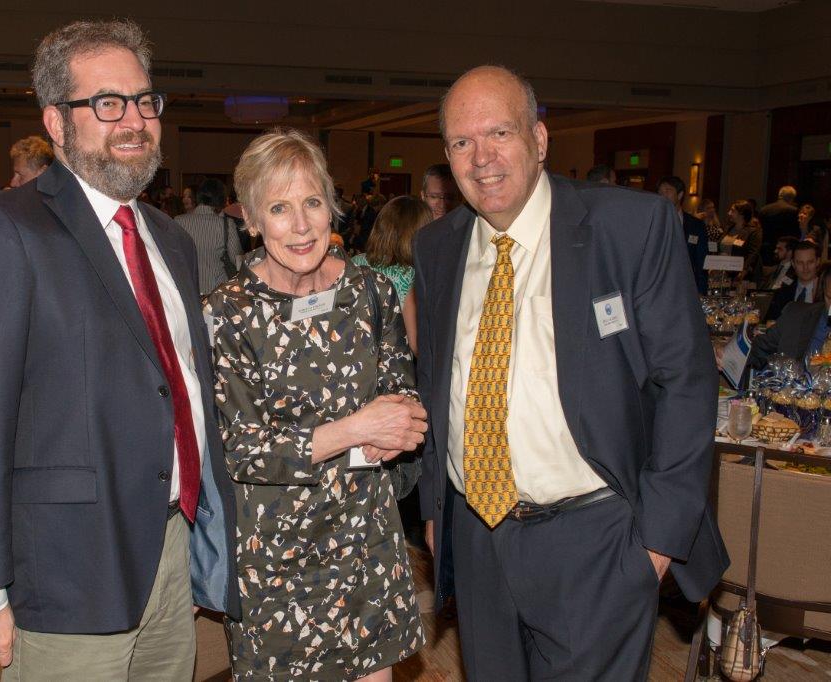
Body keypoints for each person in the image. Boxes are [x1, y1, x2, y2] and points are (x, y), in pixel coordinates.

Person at [0, 19, 238, 679]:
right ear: (56, 121)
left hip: (167, 548)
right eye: (106, 103)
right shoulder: (6, 228)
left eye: (143, 100)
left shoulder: (169, 238)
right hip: (64, 572)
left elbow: (177, 386)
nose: (133, 120)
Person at [413, 65, 727, 680]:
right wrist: (434, 507)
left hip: (597, 539)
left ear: (540, 139)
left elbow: (686, 383)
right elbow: (437, 382)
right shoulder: (439, 246)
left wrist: (656, 543)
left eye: (498, 133)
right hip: (479, 536)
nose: (481, 158)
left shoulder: (628, 229)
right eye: (461, 142)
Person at [205, 128, 427, 681]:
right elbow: (242, 451)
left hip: (366, 542)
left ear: (332, 207)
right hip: (276, 561)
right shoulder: (225, 313)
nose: (300, 225)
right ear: (252, 221)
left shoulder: (372, 292)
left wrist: (397, 429)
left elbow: (406, 401)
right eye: (279, 208)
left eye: (311, 202)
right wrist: (356, 428)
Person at [353, 195, 432, 354]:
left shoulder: (355, 262)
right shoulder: (412, 275)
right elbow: (415, 346)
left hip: (354, 360)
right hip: (392, 367)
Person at [746, 263, 831, 370]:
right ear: (824, 292)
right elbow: (757, 350)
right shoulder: (795, 314)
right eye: (829, 298)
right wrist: (725, 355)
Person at [173, 177, 243, 295]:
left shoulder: (178, 221)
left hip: (187, 290)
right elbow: (237, 260)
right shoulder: (226, 224)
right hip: (217, 292)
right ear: (221, 199)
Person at [657, 175, 708, 294]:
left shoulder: (696, 225)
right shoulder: (652, 222)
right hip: (659, 287)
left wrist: (701, 291)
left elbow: (701, 261)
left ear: (679, 195)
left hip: (687, 287)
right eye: (660, 192)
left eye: (667, 191)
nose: (662, 196)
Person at [765, 239, 820, 322]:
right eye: (800, 263)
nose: (805, 268)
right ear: (793, 264)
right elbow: (772, 322)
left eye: (810, 262)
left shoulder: (826, 294)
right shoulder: (782, 294)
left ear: (818, 262)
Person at [720, 199, 763, 286]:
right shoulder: (728, 228)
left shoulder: (753, 232)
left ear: (741, 214)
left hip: (740, 276)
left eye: (732, 211)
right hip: (723, 273)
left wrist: (744, 271)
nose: (729, 213)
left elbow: (753, 254)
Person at [758, 185, 798, 265]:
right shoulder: (793, 211)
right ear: (791, 198)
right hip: (784, 250)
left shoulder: (764, 210)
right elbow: (795, 233)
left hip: (766, 249)